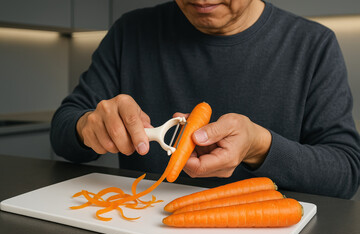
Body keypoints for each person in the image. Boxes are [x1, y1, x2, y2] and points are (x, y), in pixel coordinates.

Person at [50, 0, 360, 199]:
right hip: (142, 223)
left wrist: (260, 147)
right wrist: (86, 126)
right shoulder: (129, 32)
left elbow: (345, 173)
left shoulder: (314, 45)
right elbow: (63, 130)